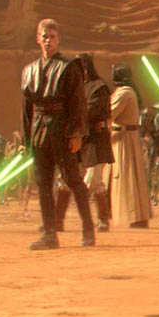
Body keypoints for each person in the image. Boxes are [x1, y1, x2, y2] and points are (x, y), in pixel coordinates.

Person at [20, 19, 95, 249]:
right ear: (38, 38)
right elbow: (26, 108)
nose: (48, 40)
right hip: (39, 129)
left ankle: (88, 230)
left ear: (58, 39)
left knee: (73, 179)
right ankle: (49, 234)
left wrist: (76, 133)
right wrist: (25, 140)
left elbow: (77, 102)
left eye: (52, 36)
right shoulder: (29, 70)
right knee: (43, 183)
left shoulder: (69, 67)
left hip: (62, 128)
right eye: (44, 36)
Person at [55, 54, 114, 232]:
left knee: (94, 180)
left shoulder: (99, 88)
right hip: (76, 138)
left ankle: (103, 220)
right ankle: (57, 220)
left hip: (94, 138)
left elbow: (90, 112)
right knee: (65, 178)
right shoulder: (72, 88)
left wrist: (69, 117)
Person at [108, 63, 151, 228]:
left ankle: (133, 216)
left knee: (127, 176)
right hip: (124, 138)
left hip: (123, 140)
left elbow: (110, 114)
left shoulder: (124, 93)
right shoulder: (127, 91)